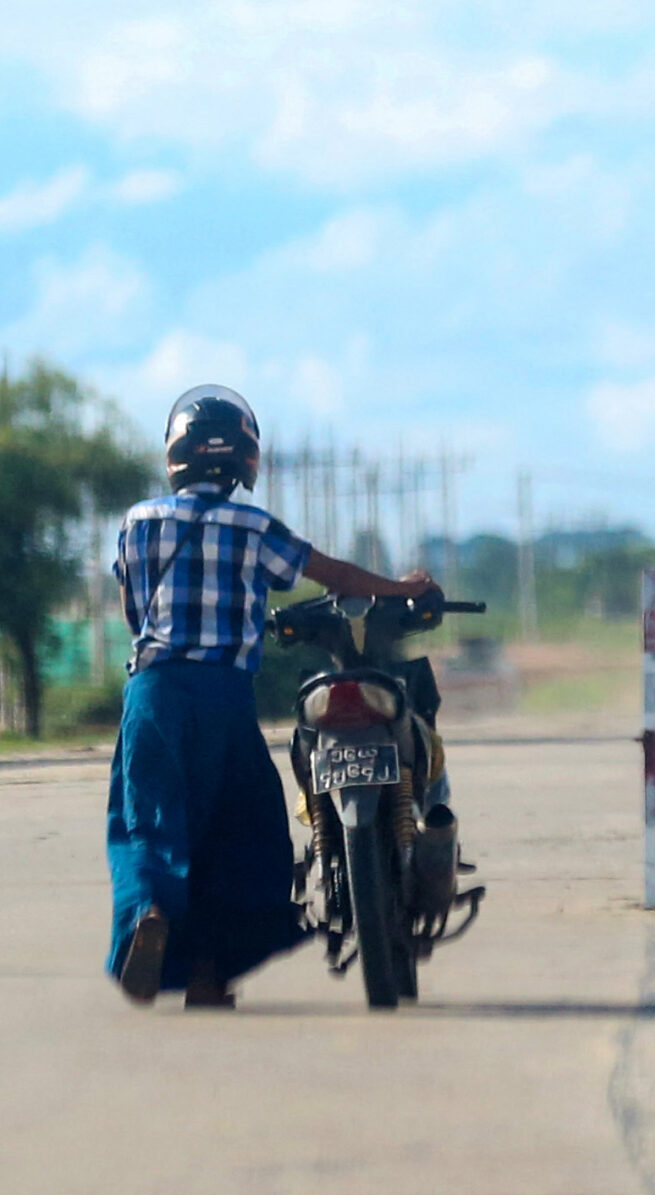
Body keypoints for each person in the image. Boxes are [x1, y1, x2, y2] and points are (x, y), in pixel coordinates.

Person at [106, 385, 432, 1010]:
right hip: (226, 698)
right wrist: (399, 586)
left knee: (149, 824)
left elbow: (133, 611)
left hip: (153, 693)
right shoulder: (254, 526)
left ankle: (148, 910)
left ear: (176, 454)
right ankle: (211, 975)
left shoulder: (137, 522)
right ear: (244, 461)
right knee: (243, 835)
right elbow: (333, 575)